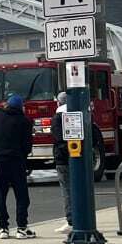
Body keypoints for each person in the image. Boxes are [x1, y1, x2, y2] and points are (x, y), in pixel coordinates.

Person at [0, 94, 36, 239]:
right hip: (16, 160)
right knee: (21, 195)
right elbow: (27, 145)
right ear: (21, 106)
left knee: (0, 195)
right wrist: (23, 156)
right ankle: (21, 227)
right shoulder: (24, 121)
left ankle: (3, 228)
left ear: (7, 104)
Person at [51, 92, 72, 234]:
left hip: (63, 160)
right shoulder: (80, 114)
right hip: (80, 159)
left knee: (67, 190)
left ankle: (71, 220)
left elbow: (58, 138)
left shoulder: (58, 117)